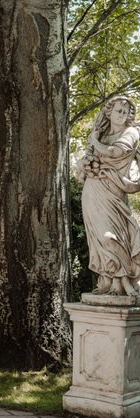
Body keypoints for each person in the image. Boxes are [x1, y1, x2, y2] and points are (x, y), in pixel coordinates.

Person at [77, 96, 140, 296]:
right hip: (92, 191)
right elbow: (88, 160)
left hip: (114, 191)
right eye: (118, 111)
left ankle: (125, 280)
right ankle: (110, 281)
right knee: (98, 239)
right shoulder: (102, 134)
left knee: (112, 237)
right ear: (109, 113)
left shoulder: (130, 132)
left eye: (125, 112)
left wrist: (94, 141)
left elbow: (114, 152)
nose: (122, 115)